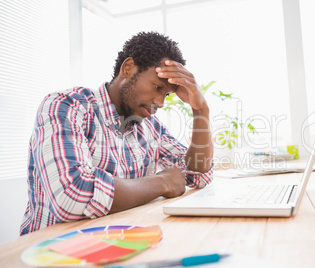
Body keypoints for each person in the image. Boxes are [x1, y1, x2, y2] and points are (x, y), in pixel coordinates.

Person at [20, 31, 214, 235]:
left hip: (118, 243)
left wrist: (201, 109)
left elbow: (198, 175)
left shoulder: (150, 126)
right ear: (128, 69)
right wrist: (161, 182)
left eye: (166, 94)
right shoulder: (67, 106)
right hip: (50, 253)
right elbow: (72, 195)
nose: (160, 102)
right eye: (157, 87)